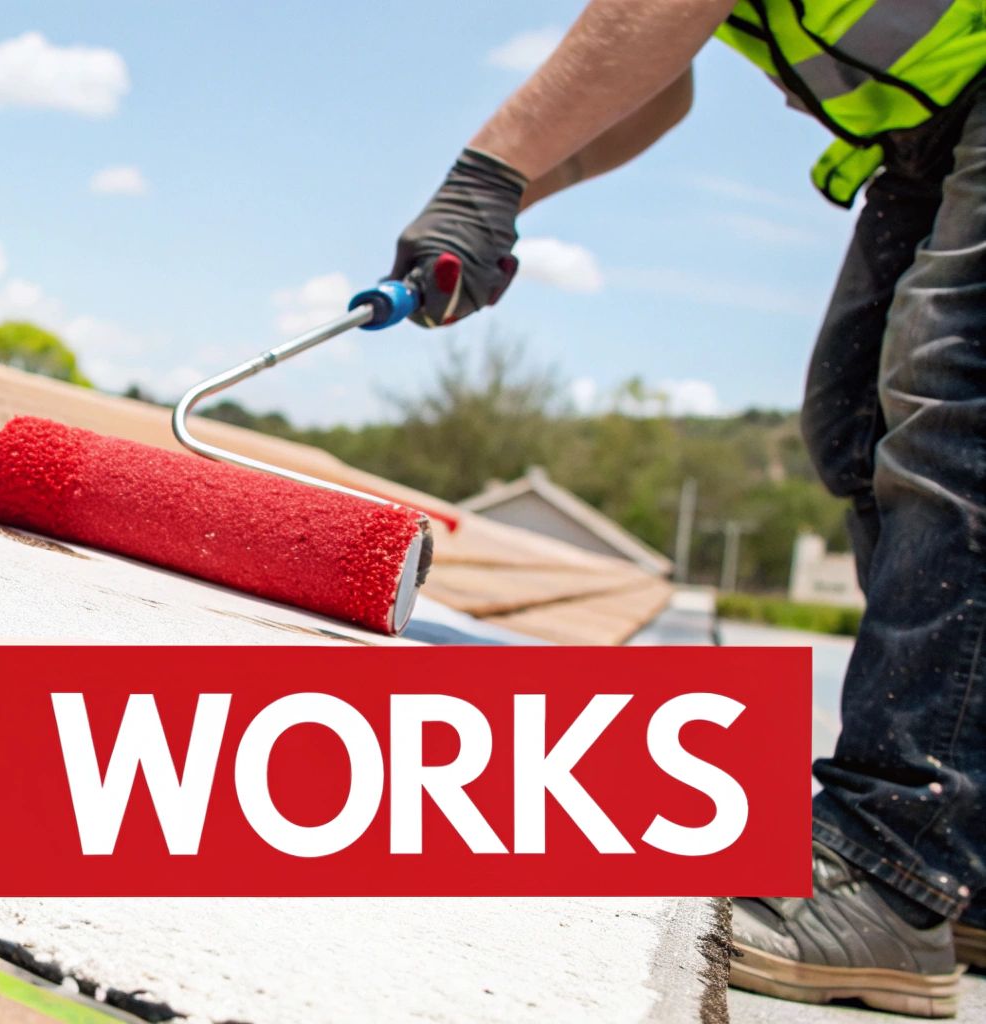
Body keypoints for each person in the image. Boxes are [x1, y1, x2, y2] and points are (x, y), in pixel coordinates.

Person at [393, 0, 986, 1016]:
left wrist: (484, 172)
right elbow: (660, 81)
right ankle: (961, 862)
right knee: (852, 420)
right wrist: (513, 198)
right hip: (933, 127)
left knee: (954, 411)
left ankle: (893, 862)